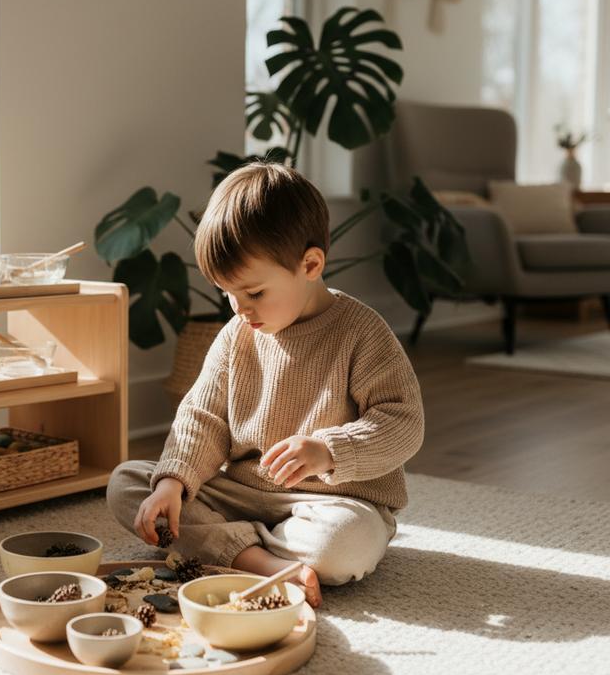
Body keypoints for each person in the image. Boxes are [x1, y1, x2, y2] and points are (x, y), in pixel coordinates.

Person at [106, 162, 424, 607]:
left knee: (342, 544)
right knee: (129, 484)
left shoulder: (362, 332)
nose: (240, 309)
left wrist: (329, 451)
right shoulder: (238, 334)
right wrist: (174, 483)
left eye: (254, 293)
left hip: (335, 502)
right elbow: (203, 417)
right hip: (243, 493)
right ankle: (265, 563)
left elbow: (403, 422)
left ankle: (229, 548)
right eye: (226, 293)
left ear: (310, 264)